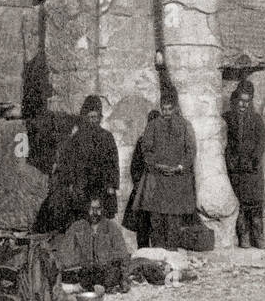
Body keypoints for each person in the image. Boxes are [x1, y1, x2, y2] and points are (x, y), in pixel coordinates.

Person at [46, 95, 120, 232]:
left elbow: (113, 163)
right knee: (82, 219)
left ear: (100, 118)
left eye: (96, 117)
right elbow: (68, 164)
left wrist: (112, 185)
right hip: (82, 187)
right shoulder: (76, 139)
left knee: (102, 221)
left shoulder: (107, 137)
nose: (93, 121)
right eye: (90, 117)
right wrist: (71, 184)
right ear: (85, 117)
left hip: (102, 185)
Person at [132, 93, 197, 249]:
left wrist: (180, 167)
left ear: (175, 109)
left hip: (177, 181)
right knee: (157, 221)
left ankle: (172, 255)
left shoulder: (185, 126)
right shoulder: (153, 126)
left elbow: (191, 150)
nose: (167, 113)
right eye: (164, 109)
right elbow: (146, 150)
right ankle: (158, 255)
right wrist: (156, 166)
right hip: (157, 182)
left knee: (174, 222)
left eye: (170, 109)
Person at [223, 79, 265, 249]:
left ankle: (258, 235)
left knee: (255, 205)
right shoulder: (228, 119)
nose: (243, 105)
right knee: (240, 206)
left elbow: (260, 143)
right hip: (236, 170)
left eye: (246, 101)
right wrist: (231, 161)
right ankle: (244, 237)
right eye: (240, 101)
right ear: (235, 101)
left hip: (252, 170)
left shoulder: (256, 120)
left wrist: (253, 159)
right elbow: (225, 143)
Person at [58, 197, 131, 293]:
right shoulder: (77, 227)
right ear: (86, 209)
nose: (95, 212)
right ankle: (84, 286)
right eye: (91, 209)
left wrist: (124, 279)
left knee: (113, 274)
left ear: (103, 209)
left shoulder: (111, 227)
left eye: (98, 209)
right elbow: (65, 254)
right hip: (84, 271)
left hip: (105, 272)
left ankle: (88, 287)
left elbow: (123, 256)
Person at [122, 109, 160, 247]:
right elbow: (135, 166)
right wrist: (139, 184)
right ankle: (143, 253)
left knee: (158, 226)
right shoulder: (142, 141)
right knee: (143, 225)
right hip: (144, 190)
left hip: (160, 191)